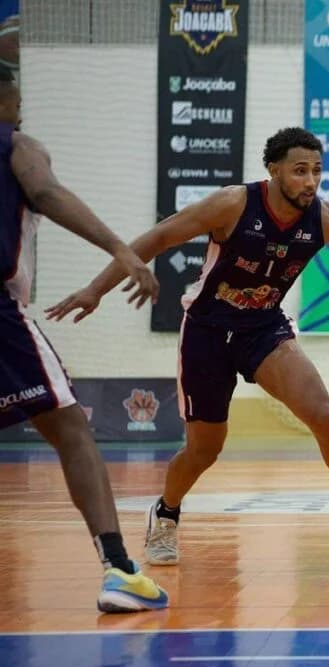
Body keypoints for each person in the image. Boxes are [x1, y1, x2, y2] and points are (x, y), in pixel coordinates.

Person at [48, 127, 329, 565]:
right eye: (300, 170)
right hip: (207, 332)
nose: (310, 181)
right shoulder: (233, 204)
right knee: (205, 449)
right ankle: (166, 514)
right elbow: (158, 237)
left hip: (263, 329)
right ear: (274, 170)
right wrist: (96, 289)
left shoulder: (325, 218)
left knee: (323, 414)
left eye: (317, 172)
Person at [0, 66, 168, 612]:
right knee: (72, 430)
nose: (19, 115)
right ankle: (119, 569)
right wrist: (120, 250)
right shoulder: (17, 144)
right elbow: (44, 190)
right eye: (15, 105)